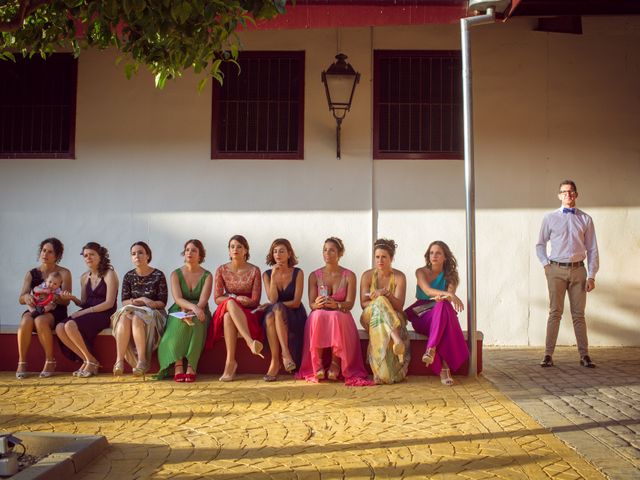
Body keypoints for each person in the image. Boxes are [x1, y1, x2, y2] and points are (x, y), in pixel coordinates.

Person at [536, 180, 599, 368]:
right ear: (559, 195)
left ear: (576, 195)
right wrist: (546, 265)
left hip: (579, 270)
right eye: (564, 192)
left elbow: (593, 249)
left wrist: (592, 275)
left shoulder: (586, 219)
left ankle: (584, 355)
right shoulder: (549, 218)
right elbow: (540, 244)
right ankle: (548, 355)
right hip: (555, 270)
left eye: (571, 192)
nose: (568, 195)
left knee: (579, 314)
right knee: (555, 312)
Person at [297, 237, 371, 386]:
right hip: (320, 312)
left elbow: (349, 304)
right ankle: (317, 363)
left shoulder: (349, 275)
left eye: (331, 250)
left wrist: (336, 305)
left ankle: (336, 364)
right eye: (325, 250)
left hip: (340, 313)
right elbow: (311, 304)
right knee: (317, 315)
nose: (327, 253)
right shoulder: (314, 276)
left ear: (340, 253)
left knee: (336, 316)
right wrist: (317, 304)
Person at [404, 241, 468, 386]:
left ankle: (432, 350)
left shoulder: (451, 276)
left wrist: (444, 297)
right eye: (432, 253)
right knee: (443, 308)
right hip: (421, 314)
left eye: (438, 253)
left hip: (440, 311)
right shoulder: (421, 272)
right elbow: (427, 291)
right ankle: (442, 365)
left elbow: (448, 296)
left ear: (445, 257)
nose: (434, 256)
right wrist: (446, 295)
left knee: (442, 305)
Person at [205, 235, 265, 382]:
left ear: (246, 250)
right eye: (232, 246)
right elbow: (217, 298)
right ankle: (250, 342)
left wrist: (244, 301)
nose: (235, 249)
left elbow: (255, 301)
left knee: (228, 317)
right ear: (229, 251)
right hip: (227, 305)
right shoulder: (221, 270)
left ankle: (230, 362)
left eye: (239, 246)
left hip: (247, 311)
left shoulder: (255, 270)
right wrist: (235, 299)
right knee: (230, 304)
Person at [57, 242, 119, 378]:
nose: (88, 258)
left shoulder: (109, 274)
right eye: (85, 255)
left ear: (100, 256)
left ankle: (90, 361)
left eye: (92, 254)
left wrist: (84, 312)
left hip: (104, 313)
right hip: (88, 312)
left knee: (70, 325)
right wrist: (73, 298)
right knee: (60, 328)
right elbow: (84, 302)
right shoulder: (85, 277)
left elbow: (109, 303)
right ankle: (89, 359)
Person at [155, 239, 212, 382]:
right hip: (180, 308)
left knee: (197, 323)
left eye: (194, 250)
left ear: (200, 255)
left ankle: (192, 365)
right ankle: (178, 364)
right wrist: (190, 308)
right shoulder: (175, 274)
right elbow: (178, 298)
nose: (189, 253)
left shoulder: (207, 276)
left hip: (200, 308)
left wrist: (195, 311)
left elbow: (203, 301)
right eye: (187, 250)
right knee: (178, 324)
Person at [16, 238, 72, 379]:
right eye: (43, 250)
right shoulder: (31, 273)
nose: (45, 254)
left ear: (57, 256)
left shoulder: (64, 273)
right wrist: (27, 298)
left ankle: (50, 360)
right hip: (35, 307)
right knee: (25, 321)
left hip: (55, 310)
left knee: (40, 321)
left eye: (50, 252)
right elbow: (21, 297)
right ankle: (22, 362)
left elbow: (66, 302)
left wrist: (53, 297)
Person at [110, 241, 168, 377]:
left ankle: (142, 361)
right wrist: (139, 301)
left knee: (136, 318)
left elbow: (162, 303)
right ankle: (119, 361)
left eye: (141, 252)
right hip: (132, 309)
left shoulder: (158, 275)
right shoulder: (129, 276)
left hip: (154, 312)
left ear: (148, 255)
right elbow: (124, 301)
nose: (137, 256)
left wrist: (149, 302)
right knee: (124, 317)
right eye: (133, 254)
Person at [360, 239, 410, 384]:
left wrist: (386, 294)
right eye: (377, 257)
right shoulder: (367, 276)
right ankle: (397, 339)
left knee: (381, 325)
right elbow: (363, 304)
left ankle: (379, 374)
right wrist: (379, 300)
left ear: (391, 258)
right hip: (369, 316)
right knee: (380, 302)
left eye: (384, 257)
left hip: (392, 316)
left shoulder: (399, 277)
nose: (380, 260)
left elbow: (399, 306)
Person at [259, 238, 307, 382]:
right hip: (275, 315)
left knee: (276, 310)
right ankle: (280, 358)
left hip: (294, 314)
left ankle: (281, 358)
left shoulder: (298, 273)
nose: (278, 254)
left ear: (289, 253)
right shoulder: (267, 274)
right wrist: (273, 276)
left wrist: (274, 306)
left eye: (281, 251)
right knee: (271, 315)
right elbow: (273, 299)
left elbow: (296, 302)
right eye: (275, 251)